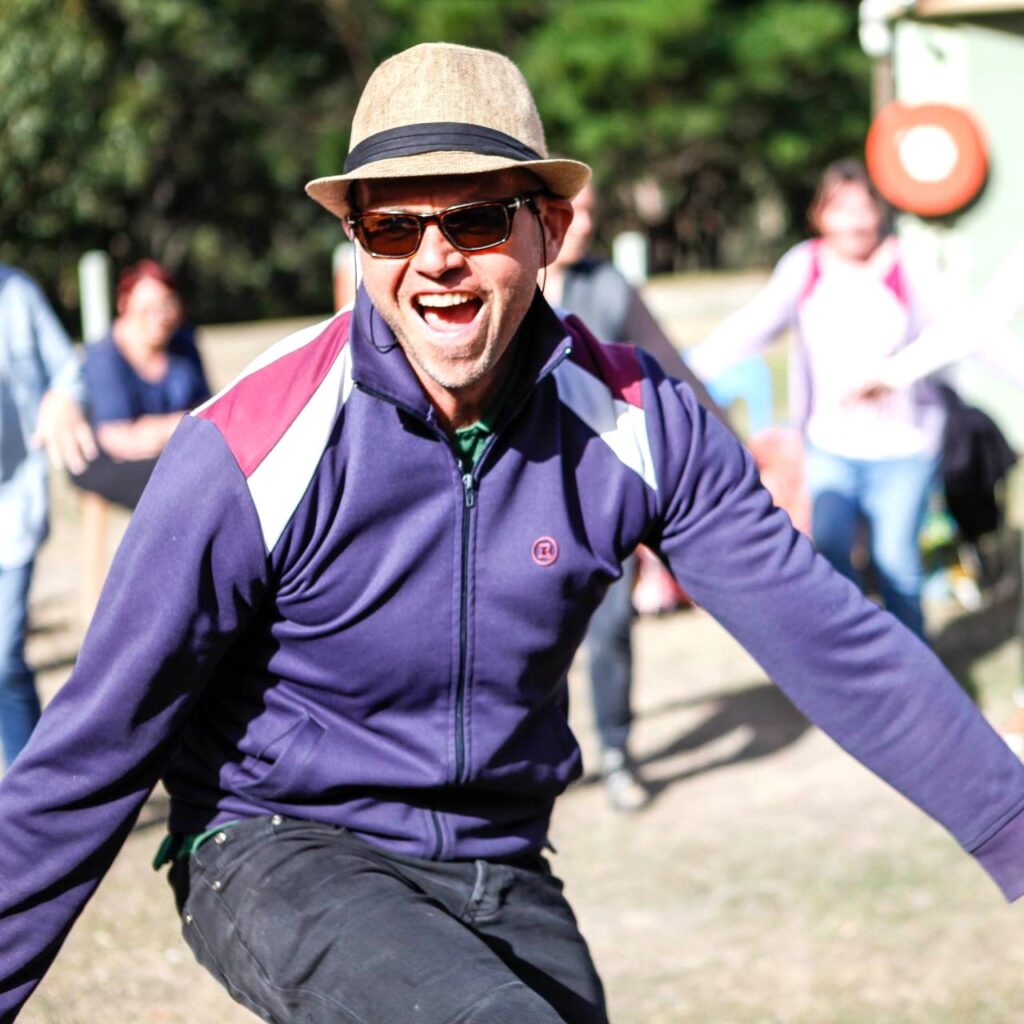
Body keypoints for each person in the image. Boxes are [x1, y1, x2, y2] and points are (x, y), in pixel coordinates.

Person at [3, 43, 1024, 1024]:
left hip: (500, 855)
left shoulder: (641, 422)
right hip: (278, 841)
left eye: (477, 218)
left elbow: (832, 640)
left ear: (552, 228)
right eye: (391, 227)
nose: (434, 260)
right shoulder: (248, 447)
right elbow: (92, 743)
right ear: (355, 240)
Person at [688, 159, 950, 639]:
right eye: (841, 208)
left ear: (880, 212)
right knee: (829, 555)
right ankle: (859, 656)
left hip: (904, 448)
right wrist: (682, 371)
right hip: (830, 446)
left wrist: (893, 374)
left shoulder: (909, 263)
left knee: (896, 565)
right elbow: (751, 329)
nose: (855, 221)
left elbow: (954, 336)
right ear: (819, 215)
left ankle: (915, 666)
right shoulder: (804, 265)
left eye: (864, 207)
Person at [544, 180, 723, 812]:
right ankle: (534, 761)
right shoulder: (499, 283)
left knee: (612, 624)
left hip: (599, 492)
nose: (585, 225)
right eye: (573, 213)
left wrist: (731, 445)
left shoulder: (609, 286)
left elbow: (670, 369)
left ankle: (617, 753)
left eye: (592, 212)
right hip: (519, 495)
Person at [0, 264, 96, 768]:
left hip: (10, 512)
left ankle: (29, 787)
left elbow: (68, 373)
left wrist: (62, 399)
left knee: (1, 660)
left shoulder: (17, 294)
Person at [71, 260, 210, 510]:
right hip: (105, 460)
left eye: (167, 305)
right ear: (124, 305)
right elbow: (118, 439)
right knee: (182, 486)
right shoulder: (104, 356)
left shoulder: (184, 344)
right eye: (148, 308)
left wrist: (158, 430)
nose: (160, 316)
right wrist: (185, 424)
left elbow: (210, 412)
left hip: (171, 451)